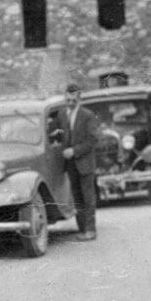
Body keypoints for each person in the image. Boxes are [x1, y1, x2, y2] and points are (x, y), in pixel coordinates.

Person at [56, 84, 99, 241]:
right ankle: (82, 229)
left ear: (79, 99)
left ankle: (91, 230)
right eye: (68, 100)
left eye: (73, 100)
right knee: (77, 197)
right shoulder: (62, 114)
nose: (70, 103)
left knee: (88, 197)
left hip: (85, 163)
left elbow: (93, 140)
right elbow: (56, 132)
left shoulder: (87, 115)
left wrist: (74, 151)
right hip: (70, 165)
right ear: (65, 98)